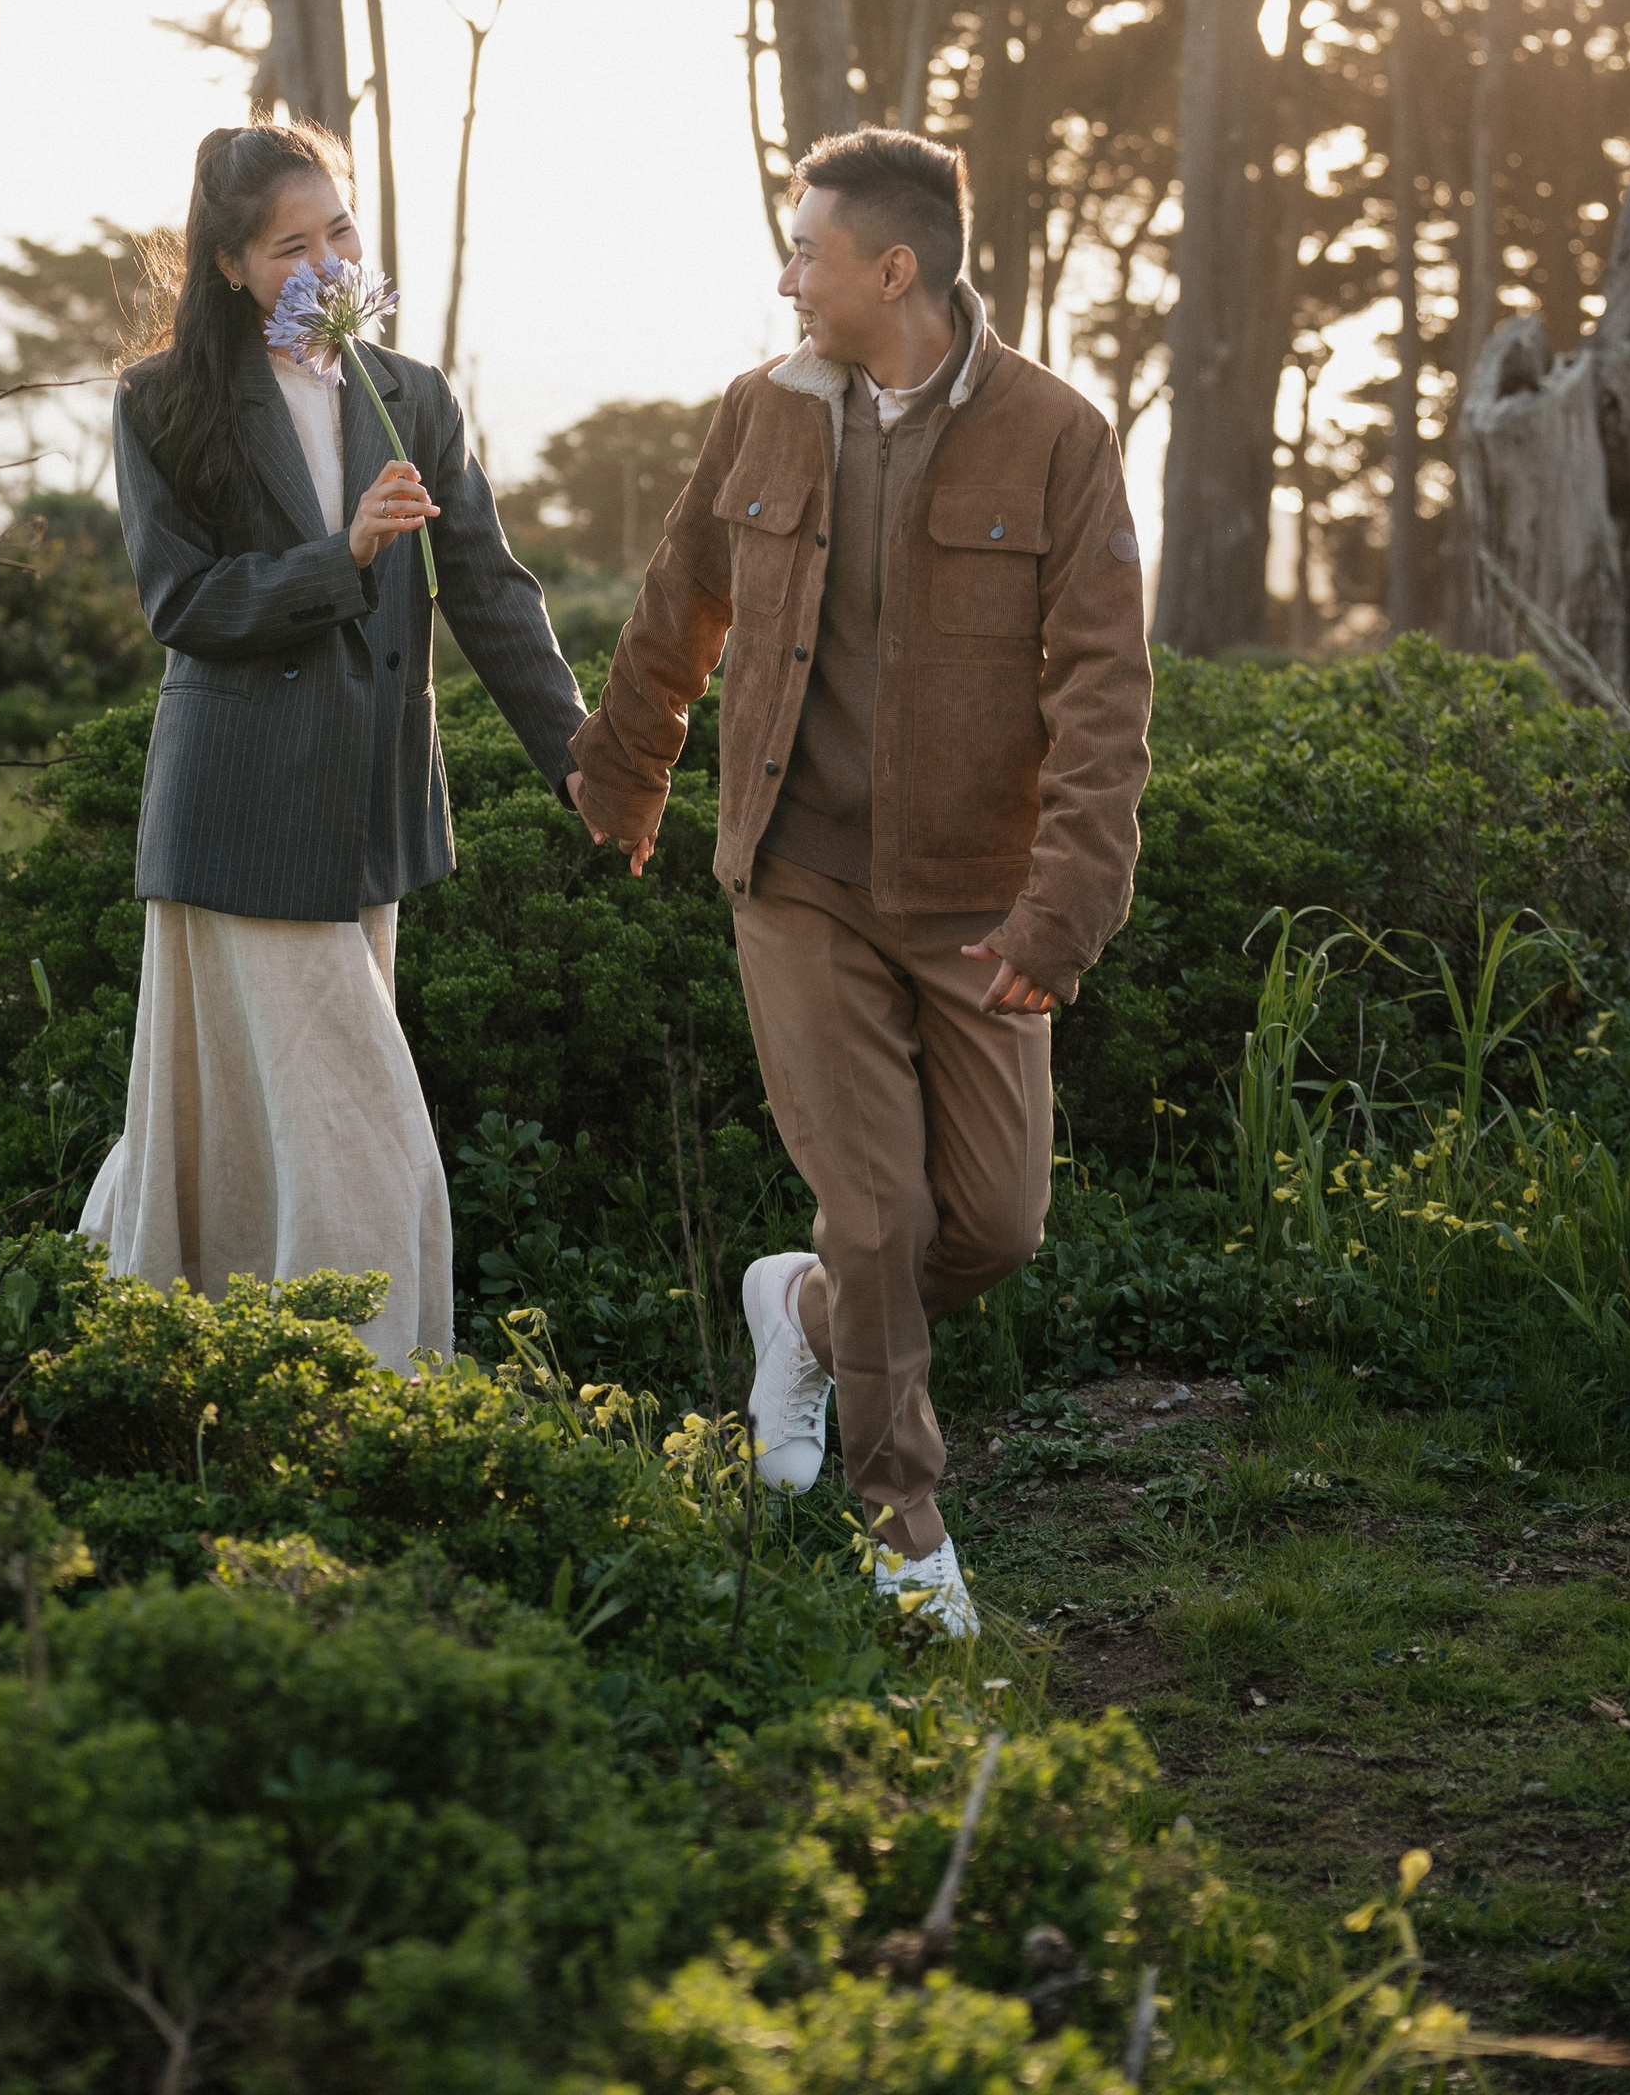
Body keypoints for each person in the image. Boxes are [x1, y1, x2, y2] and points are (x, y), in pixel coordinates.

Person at [568, 125, 1152, 1634]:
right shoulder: (763, 412)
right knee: (880, 1213)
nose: (787, 278)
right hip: (797, 874)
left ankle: (804, 1314)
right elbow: (682, 598)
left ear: (895, 270)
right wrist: (625, 774)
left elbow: (1104, 693)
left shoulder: (1058, 437)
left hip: (978, 898)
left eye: (810, 254)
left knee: (997, 1224)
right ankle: (906, 1529)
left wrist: (1063, 914)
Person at [86, 119, 587, 1370]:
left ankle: (220, 1357)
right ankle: (377, 1381)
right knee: (358, 1125)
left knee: (283, 1128)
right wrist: (344, 556)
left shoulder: (409, 391)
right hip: (237, 812)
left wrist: (583, 759)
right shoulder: (161, 403)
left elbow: (488, 588)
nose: (323, 264)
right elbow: (181, 605)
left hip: (368, 815)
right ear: (229, 267)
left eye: (339, 233)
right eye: (288, 247)